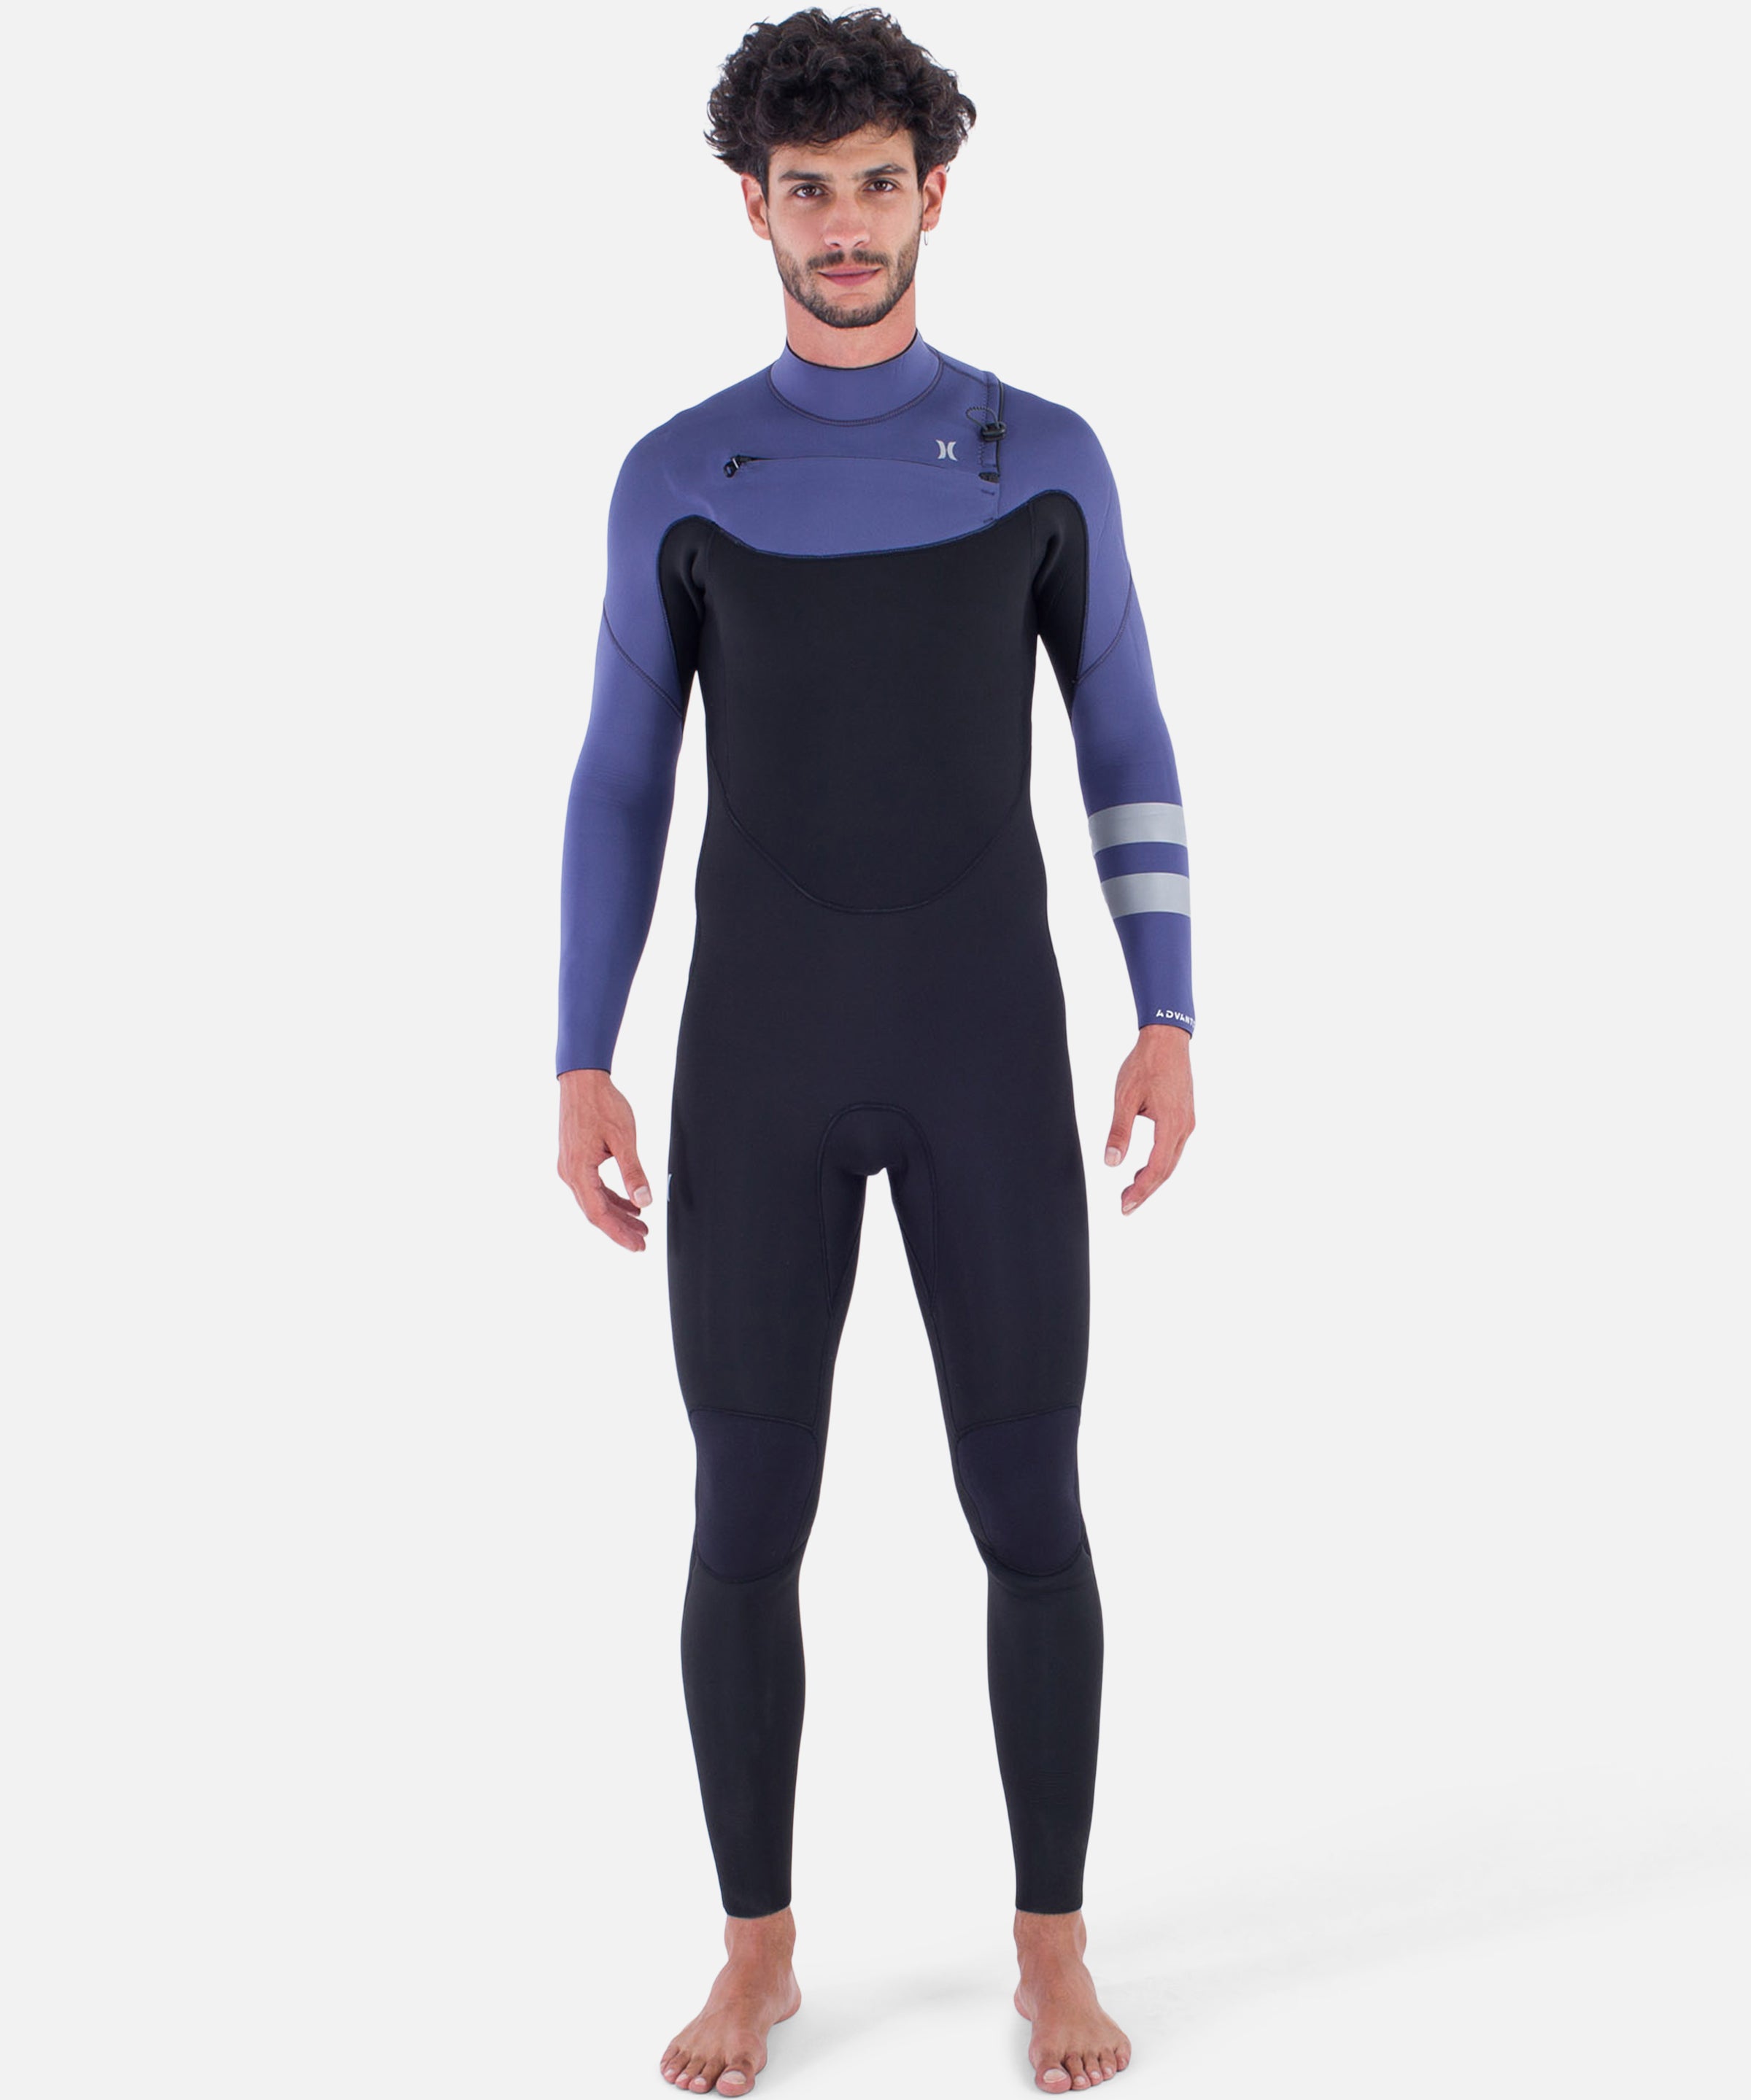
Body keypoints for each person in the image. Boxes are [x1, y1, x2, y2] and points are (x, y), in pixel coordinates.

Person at [555, 9, 1194, 2092]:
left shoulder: (1044, 455)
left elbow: (1124, 738)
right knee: (746, 1512)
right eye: (808, 189)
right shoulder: (680, 475)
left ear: (938, 192)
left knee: (1031, 1503)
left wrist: (1168, 1009)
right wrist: (580, 1054)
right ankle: (755, 1956)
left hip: (990, 1052)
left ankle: (1052, 1950)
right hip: (754, 1062)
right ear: (752, 208)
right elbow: (619, 781)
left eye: (877, 183)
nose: (846, 223)